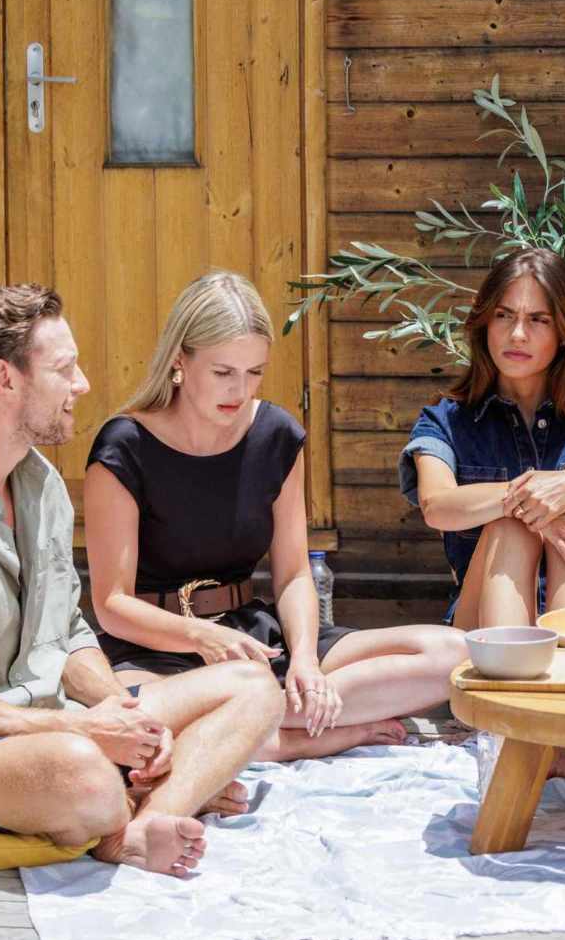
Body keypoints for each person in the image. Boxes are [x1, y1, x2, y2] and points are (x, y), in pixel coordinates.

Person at [0, 285, 284, 876]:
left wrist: (127, 718)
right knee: (83, 773)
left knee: (254, 687)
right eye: (65, 369)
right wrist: (85, 730)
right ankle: (145, 797)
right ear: (4, 379)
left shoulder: (39, 483)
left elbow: (66, 631)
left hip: (42, 715)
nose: (83, 384)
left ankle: (134, 828)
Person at [85, 270, 464, 763]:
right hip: (155, 648)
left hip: (255, 637)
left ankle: (259, 724)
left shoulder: (277, 434)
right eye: (223, 372)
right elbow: (111, 603)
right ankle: (316, 731)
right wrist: (202, 636)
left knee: (454, 653)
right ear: (180, 359)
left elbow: (293, 575)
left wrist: (305, 661)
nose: (239, 390)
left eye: (254, 372)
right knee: (144, 727)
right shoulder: (124, 445)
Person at [400, 248, 565, 629]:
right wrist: (530, 505)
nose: (517, 334)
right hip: (482, 622)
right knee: (510, 525)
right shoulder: (446, 419)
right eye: (503, 315)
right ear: (484, 323)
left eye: (538, 320)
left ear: (564, 333)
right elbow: (436, 506)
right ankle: (513, 657)